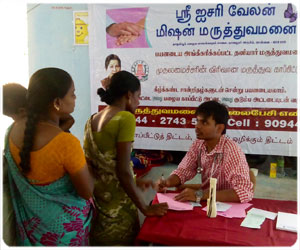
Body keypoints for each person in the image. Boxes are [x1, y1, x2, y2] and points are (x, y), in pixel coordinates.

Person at [3, 68, 94, 246]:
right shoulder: (66, 143)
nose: (75, 99)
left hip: (33, 231)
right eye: (72, 94)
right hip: (63, 235)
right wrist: (90, 166)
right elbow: (86, 191)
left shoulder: (11, 131)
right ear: (57, 102)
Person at [83, 70, 168, 246]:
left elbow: (104, 165)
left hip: (99, 206)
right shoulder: (125, 118)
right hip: (118, 208)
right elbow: (121, 170)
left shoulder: (92, 120)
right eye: (138, 96)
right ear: (129, 95)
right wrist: (145, 208)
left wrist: (135, 181)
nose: (138, 102)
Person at [156, 100, 254, 204]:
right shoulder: (198, 144)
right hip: (206, 201)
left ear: (219, 128)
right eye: (197, 121)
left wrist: (200, 195)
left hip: (227, 205)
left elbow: (244, 191)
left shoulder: (231, 150)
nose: (197, 126)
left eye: (204, 122)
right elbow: (183, 171)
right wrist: (167, 182)